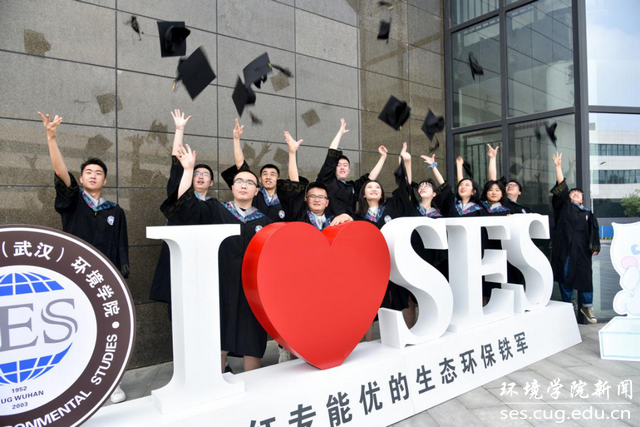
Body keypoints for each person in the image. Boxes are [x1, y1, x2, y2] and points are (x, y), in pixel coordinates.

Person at [39, 111, 129, 404]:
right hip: (73, 277)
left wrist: (120, 275)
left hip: (104, 280)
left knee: (107, 330)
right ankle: (77, 384)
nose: (93, 175)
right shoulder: (73, 202)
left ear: (105, 179)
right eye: (88, 172)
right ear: (80, 178)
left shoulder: (114, 211)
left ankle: (111, 382)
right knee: (75, 329)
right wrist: (51, 137)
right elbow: (60, 173)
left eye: (98, 173)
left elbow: (121, 246)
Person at [161, 143, 272, 372]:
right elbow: (185, 209)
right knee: (220, 338)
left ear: (256, 191)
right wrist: (188, 170)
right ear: (232, 187)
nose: (244, 185)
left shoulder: (266, 222)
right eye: (239, 181)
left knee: (253, 340)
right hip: (221, 287)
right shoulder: (215, 210)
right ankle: (219, 380)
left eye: (250, 182)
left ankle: (255, 385)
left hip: (253, 291)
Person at [149, 110, 216, 318]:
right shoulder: (179, 199)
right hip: (178, 261)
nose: (201, 177)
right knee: (178, 311)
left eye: (205, 174)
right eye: (197, 173)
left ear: (212, 182)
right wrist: (179, 130)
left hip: (202, 265)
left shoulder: (215, 206)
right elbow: (177, 166)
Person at [354, 143, 414, 339]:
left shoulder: (392, 209)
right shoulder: (356, 217)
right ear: (363, 194)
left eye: (377, 187)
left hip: (393, 262)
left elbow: (405, 188)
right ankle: (367, 343)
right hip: (368, 266)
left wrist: (404, 162)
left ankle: (403, 337)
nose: (374, 189)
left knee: (397, 299)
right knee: (368, 305)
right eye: (369, 187)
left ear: (382, 193)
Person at [550, 152, 600, 324]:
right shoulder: (563, 206)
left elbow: (594, 231)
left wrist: (594, 247)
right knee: (565, 276)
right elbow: (562, 188)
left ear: (583, 199)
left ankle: (587, 306)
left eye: (579, 193)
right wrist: (558, 167)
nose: (576, 194)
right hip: (565, 248)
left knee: (585, 276)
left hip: (582, 250)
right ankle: (567, 305)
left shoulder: (588, 213)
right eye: (573, 193)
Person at [279, 131, 353, 229]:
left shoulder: (334, 221)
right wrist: (292, 153)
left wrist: (348, 217)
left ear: (327, 202)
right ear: (305, 199)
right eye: (312, 196)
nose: (317, 200)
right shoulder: (299, 215)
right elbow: (295, 184)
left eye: (321, 197)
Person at [315, 119, 388, 216]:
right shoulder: (327, 180)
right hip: (330, 223)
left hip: (350, 223)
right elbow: (331, 156)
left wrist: (383, 157)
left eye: (345, 165)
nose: (342, 167)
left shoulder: (352, 186)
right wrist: (340, 133)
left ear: (349, 170)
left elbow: (370, 178)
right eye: (338, 165)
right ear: (334, 168)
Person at [221, 118, 286, 222]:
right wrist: (236, 140)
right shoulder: (254, 193)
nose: (268, 177)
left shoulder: (283, 199)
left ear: (278, 179)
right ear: (260, 179)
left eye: (272, 174)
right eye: (265, 174)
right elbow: (241, 165)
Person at [486, 144, 531, 214]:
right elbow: (492, 180)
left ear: (519, 192)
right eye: (508, 185)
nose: (510, 186)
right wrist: (492, 158)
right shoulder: (500, 203)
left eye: (514, 185)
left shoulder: (524, 210)